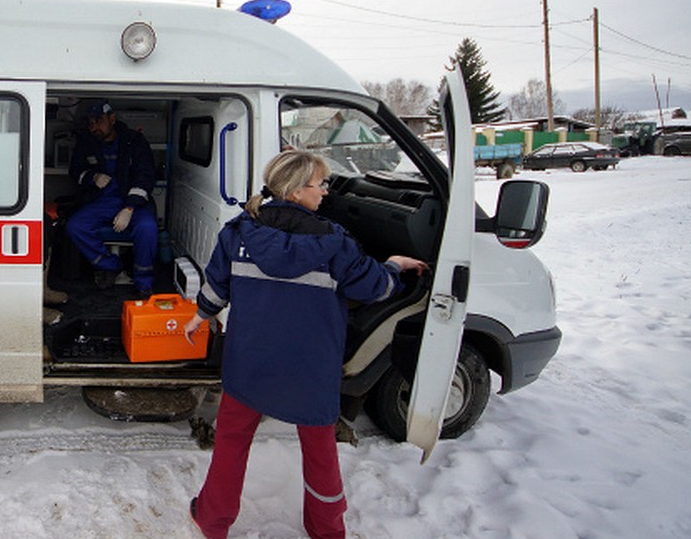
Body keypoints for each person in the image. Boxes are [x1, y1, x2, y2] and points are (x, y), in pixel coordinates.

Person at [183, 150, 427, 539]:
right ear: (296, 192)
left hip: (250, 363)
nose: (326, 193)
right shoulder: (335, 244)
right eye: (320, 185)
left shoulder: (238, 232)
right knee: (320, 453)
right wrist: (395, 266)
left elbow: (217, 284)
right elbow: (374, 286)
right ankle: (327, 529)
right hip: (310, 371)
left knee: (231, 442)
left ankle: (212, 520)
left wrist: (201, 314)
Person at [65, 100, 159, 298]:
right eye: (91, 123)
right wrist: (92, 177)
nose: (94, 127)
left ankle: (143, 283)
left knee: (147, 228)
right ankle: (111, 265)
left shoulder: (135, 141)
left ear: (112, 119)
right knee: (74, 226)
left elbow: (146, 175)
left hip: (134, 201)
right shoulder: (87, 141)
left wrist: (129, 208)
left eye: (99, 121)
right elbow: (75, 170)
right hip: (102, 202)